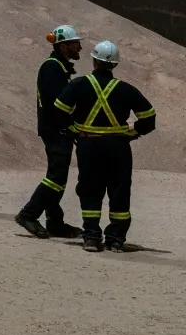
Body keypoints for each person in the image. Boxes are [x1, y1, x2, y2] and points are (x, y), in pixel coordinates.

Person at [55, 40, 154, 252]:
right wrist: (132, 133)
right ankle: (116, 239)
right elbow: (149, 118)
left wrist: (73, 130)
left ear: (94, 61)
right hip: (118, 147)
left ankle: (91, 236)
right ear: (114, 65)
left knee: (90, 189)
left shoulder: (79, 84)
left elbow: (58, 111)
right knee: (119, 191)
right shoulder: (126, 90)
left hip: (88, 145)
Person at [14, 25, 84, 239]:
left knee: (58, 177)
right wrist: (70, 127)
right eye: (75, 44)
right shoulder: (53, 67)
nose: (79, 47)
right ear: (63, 46)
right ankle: (28, 214)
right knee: (56, 176)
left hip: (57, 128)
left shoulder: (59, 66)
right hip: (56, 129)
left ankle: (55, 222)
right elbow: (58, 104)